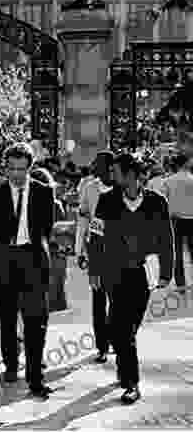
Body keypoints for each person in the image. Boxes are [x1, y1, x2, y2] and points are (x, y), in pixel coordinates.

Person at [92, 153, 173, 404]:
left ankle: (124, 364)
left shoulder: (156, 201)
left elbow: (166, 238)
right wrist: (94, 269)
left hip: (144, 273)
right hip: (113, 273)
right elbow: (95, 236)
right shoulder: (106, 200)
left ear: (131, 175)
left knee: (127, 327)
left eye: (115, 172)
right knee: (122, 328)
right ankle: (131, 383)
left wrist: (166, 272)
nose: (111, 176)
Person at [0, 142, 54, 399]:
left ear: (30, 167)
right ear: (6, 168)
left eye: (22, 169)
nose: (17, 174)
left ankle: (36, 378)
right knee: (8, 317)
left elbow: (47, 227)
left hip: (33, 259)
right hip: (5, 260)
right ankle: (11, 364)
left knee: (37, 321)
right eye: (12, 169)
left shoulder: (44, 192)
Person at [75, 151, 115, 363]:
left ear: (110, 167)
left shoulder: (122, 188)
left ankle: (119, 339)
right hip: (97, 250)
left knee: (119, 302)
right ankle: (102, 346)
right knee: (99, 300)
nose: (93, 167)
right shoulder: (89, 188)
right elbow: (83, 220)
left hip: (120, 253)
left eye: (97, 164)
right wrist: (79, 250)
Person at [161, 154, 193, 290]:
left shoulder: (168, 181)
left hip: (175, 220)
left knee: (177, 252)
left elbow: (164, 202)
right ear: (185, 164)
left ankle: (180, 283)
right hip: (192, 218)